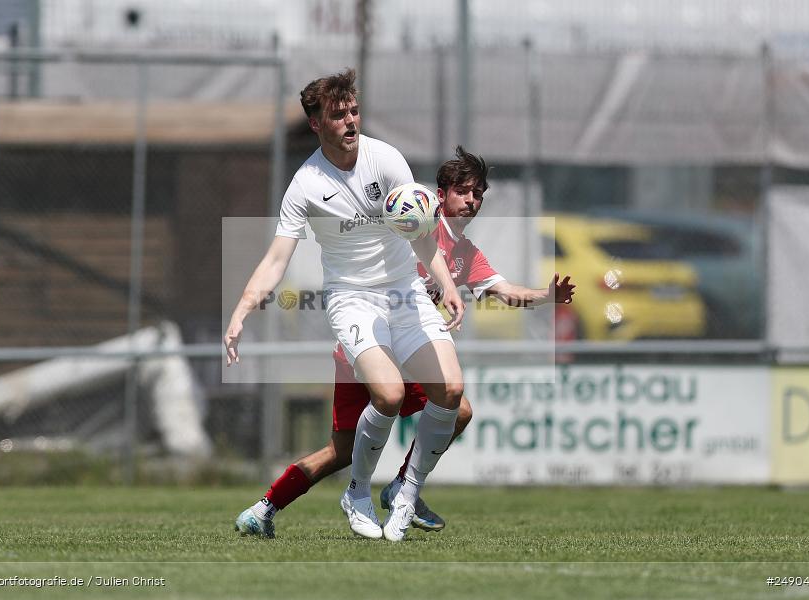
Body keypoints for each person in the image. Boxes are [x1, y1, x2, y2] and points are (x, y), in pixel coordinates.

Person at [234, 145, 576, 539]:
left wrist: (545, 296)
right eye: (462, 191)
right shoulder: (411, 221)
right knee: (357, 444)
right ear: (440, 195)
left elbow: (504, 291)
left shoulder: (466, 254)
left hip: (403, 354)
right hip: (365, 347)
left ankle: (271, 508)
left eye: (478, 193)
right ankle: (387, 490)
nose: (471, 200)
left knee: (438, 413)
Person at [224, 69, 468, 542]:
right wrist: (240, 311)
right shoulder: (305, 184)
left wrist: (446, 283)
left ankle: (405, 493)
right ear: (317, 123)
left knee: (454, 393)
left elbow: (420, 232)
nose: (351, 121)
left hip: (405, 292)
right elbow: (276, 260)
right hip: (353, 300)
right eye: (339, 115)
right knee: (388, 396)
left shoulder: (386, 159)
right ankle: (357, 493)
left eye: (354, 111)